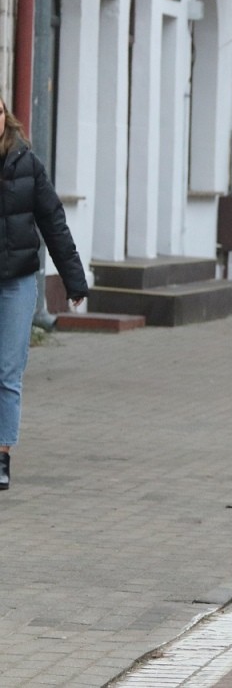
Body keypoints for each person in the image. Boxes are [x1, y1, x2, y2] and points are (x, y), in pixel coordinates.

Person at [0, 98, 88, 490]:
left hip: (18, 282)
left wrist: (74, 281)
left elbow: (54, 223)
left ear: (5, 117)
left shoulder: (27, 165)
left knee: (7, 370)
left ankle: (1, 455)